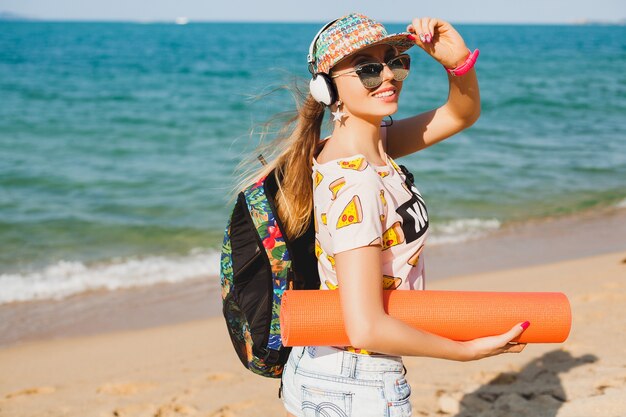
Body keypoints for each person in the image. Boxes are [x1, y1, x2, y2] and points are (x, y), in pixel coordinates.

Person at [241, 12, 529, 417]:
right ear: (326, 89)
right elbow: (366, 326)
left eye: (395, 61)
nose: (388, 76)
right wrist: (464, 352)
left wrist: (456, 62)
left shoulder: (369, 149)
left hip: (328, 368)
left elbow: (460, 114)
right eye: (368, 69)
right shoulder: (356, 181)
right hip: (355, 381)